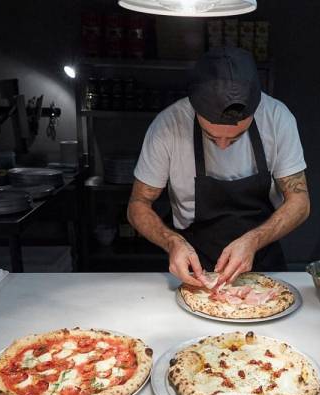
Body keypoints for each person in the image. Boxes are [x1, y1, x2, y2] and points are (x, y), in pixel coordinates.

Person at [127, 47, 309, 288]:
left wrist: (254, 240)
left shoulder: (277, 119)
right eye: (212, 137)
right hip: (195, 265)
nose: (223, 147)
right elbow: (137, 204)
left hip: (262, 258)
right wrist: (172, 242)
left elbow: (300, 201)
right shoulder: (168, 126)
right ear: (194, 108)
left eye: (236, 137)